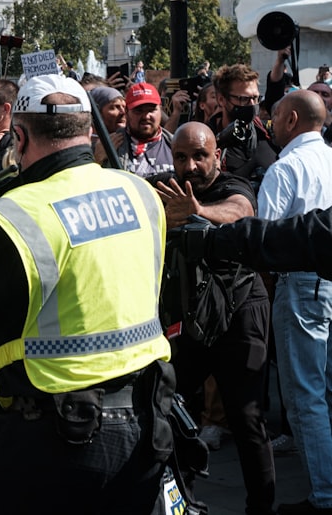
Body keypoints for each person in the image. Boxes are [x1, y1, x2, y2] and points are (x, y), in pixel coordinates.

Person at [0, 73, 174, 513]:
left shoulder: (17, 216)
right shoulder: (141, 193)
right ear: (87, 131)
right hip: (146, 422)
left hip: (50, 434)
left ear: (18, 137)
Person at [153, 122, 275, 515]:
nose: (190, 166)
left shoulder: (233, 186)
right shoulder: (166, 188)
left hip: (239, 307)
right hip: (189, 310)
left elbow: (241, 211)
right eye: (182, 157)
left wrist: (199, 213)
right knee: (176, 408)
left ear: (217, 156)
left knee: (246, 416)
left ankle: (262, 507)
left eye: (200, 156)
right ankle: (180, 500)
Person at [258, 90, 332, 515]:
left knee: (306, 397)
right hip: (320, 282)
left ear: (290, 122)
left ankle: (324, 496)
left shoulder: (286, 168)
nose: (269, 123)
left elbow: (264, 242)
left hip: (302, 283)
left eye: (275, 116)